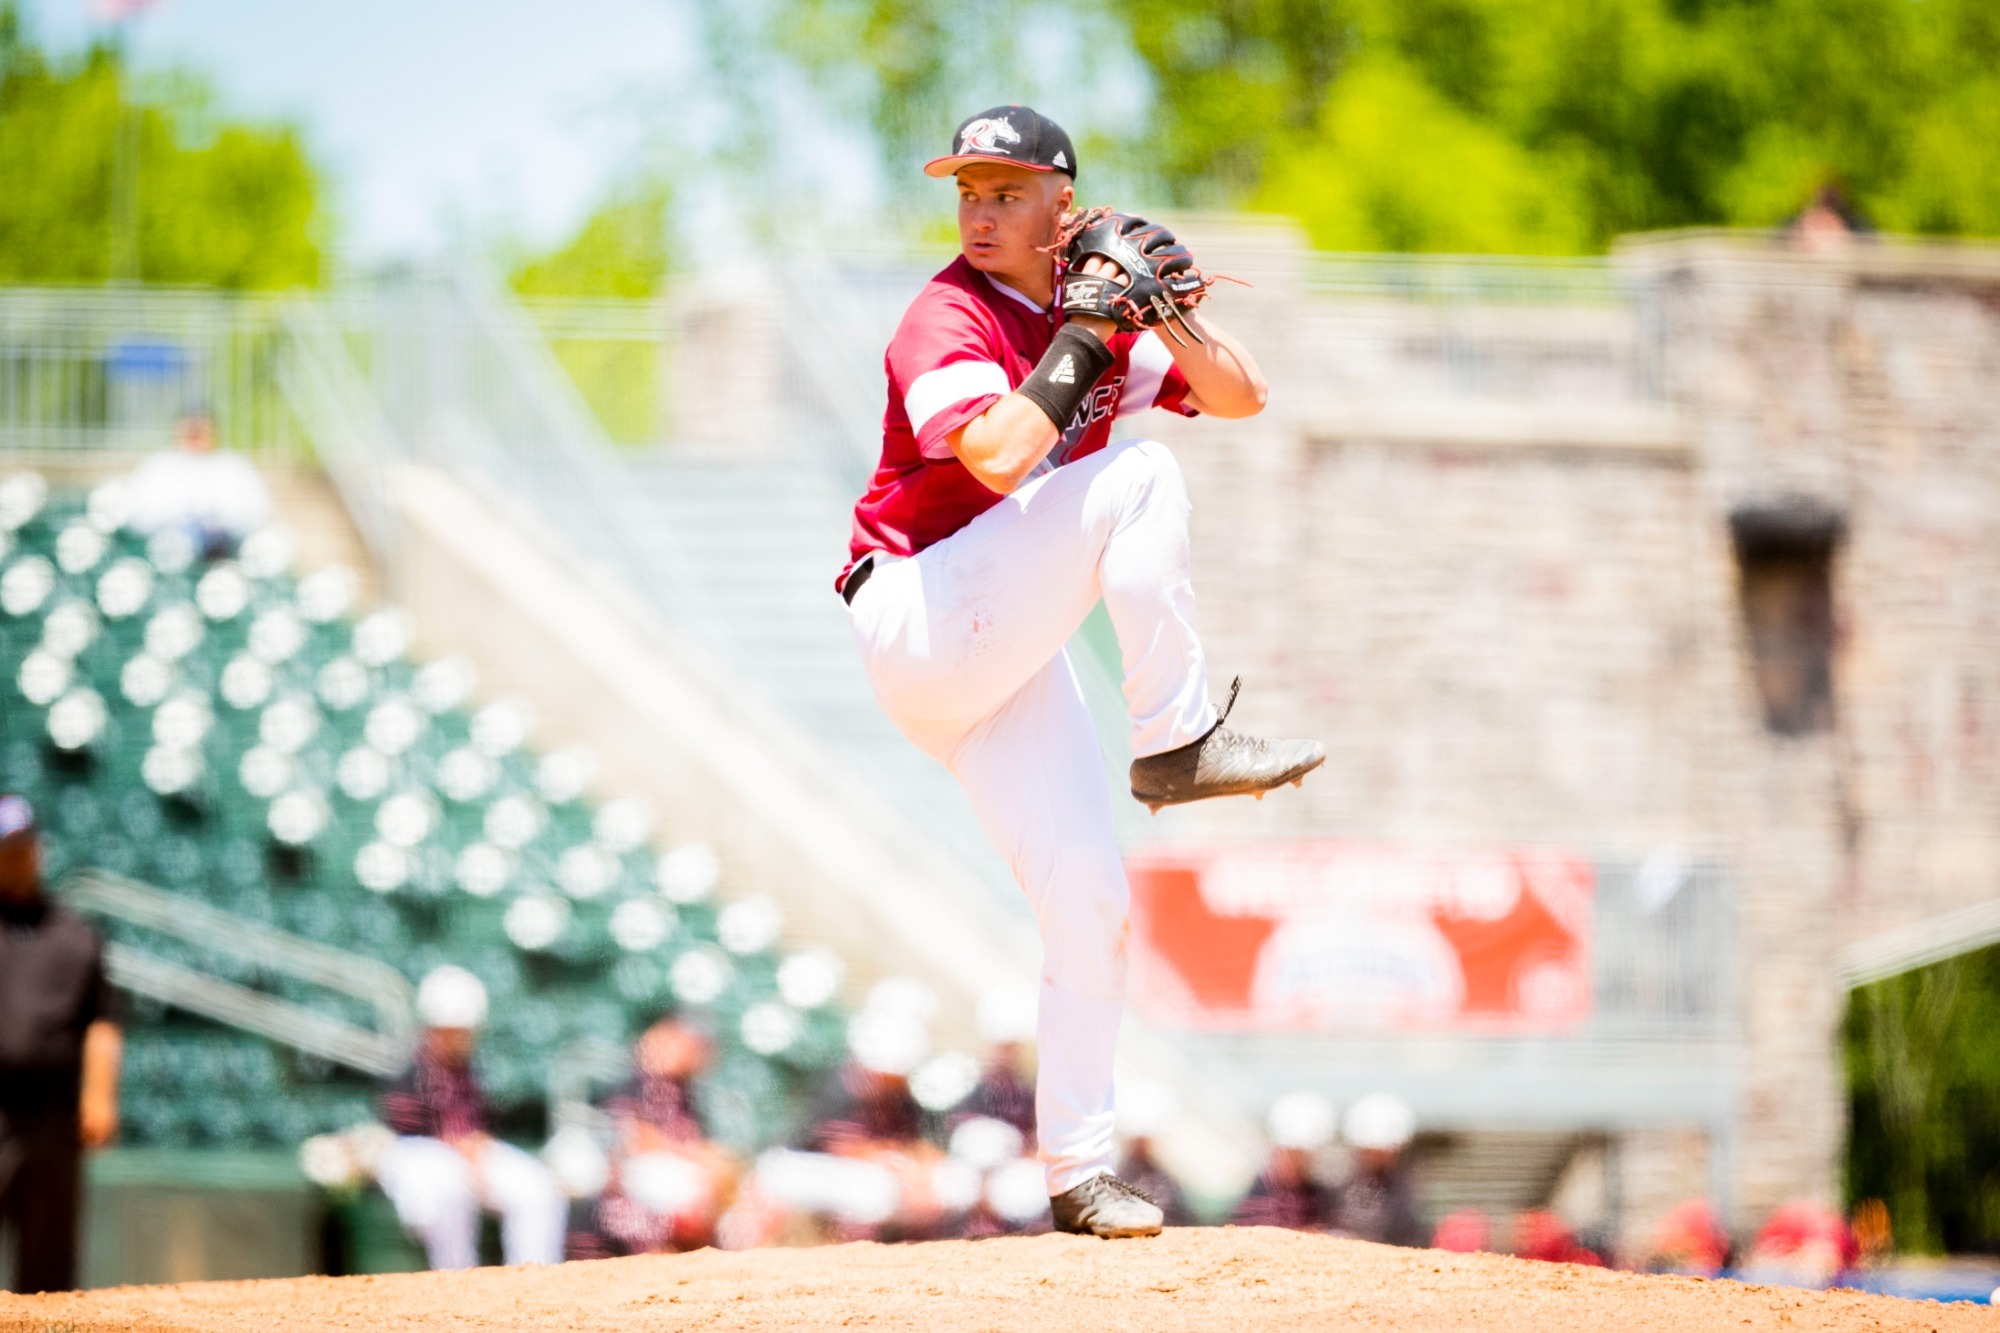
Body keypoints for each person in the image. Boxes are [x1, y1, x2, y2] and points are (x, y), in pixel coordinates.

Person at [838, 103, 1324, 1240]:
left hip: (999, 652)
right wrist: (1086, 337)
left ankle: (1077, 1172)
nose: (978, 210)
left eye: (1005, 190)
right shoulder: (944, 315)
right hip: (917, 613)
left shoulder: (1083, 313)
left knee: (1093, 907)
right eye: (966, 189)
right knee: (1140, 478)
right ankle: (1175, 740)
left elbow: (1245, 395)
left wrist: (1165, 312)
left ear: (1065, 199)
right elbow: (1004, 456)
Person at [0, 795, 122, 1293]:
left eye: (23, 847)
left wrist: (99, 1094)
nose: (16, 857)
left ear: (39, 851)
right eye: (6, 849)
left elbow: (102, 1021)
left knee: (49, 1269)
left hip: (52, 1113)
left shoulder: (76, 934)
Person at [374, 966, 566, 1269]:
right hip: (417, 1156)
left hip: (468, 1152)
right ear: (431, 1028)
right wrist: (466, 1154)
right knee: (449, 1186)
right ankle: (456, 1279)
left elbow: (476, 1127)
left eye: (465, 1030)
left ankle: (535, 1275)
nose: (461, 1038)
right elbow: (411, 1129)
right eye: (452, 1030)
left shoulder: (466, 1071)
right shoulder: (409, 1072)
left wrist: (475, 1152)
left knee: (538, 1187)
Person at [592, 1016, 733, 1254]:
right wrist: (693, 1156)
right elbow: (638, 1141)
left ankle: (704, 1252)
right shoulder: (634, 1083)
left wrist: (710, 1160)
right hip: (635, 1169)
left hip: (672, 1168)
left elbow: (698, 1140)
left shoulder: (684, 1089)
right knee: (685, 1188)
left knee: (716, 1181)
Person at [126, 408, 271, 559]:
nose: (196, 436)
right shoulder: (158, 466)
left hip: (225, 551)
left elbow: (255, 511)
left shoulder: (234, 467)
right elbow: (141, 516)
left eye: (201, 431)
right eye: (190, 431)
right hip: (168, 550)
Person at [1232, 1092, 1338, 1231]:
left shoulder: (1319, 1195)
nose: (1295, 1164)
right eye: (1291, 1154)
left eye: (1303, 1157)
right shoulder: (1259, 1194)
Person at [1330, 1092, 1421, 1246]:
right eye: (1370, 1151)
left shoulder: (1403, 1192)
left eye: (1380, 1153)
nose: (1374, 1157)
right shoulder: (1339, 1187)